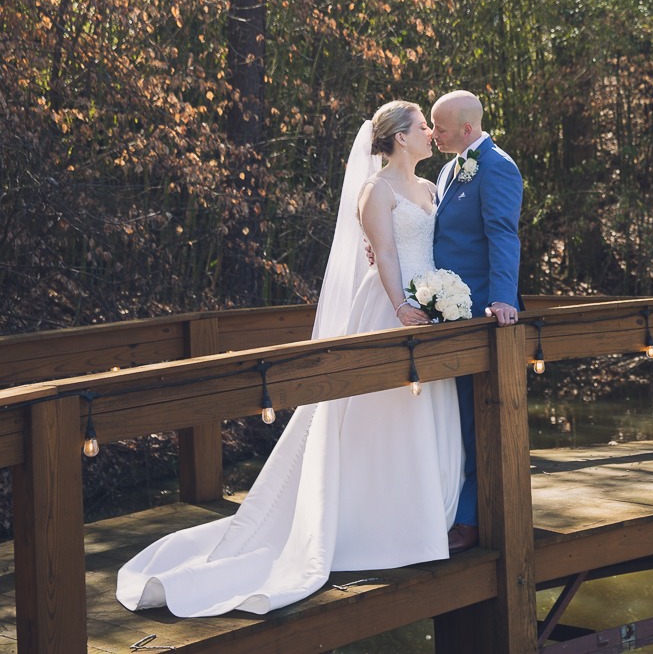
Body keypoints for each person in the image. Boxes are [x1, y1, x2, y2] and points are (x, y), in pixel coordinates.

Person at [116, 101, 466, 617]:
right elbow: (386, 255)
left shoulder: (431, 189)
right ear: (396, 138)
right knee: (377, 414)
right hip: (391, 307)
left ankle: (420, 520)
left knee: (422, 410)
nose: (429, 134)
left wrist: (438, 300)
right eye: (420, 127)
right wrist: (402, 307)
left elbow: (433, 248)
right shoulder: (378, 190)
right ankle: (371, 523)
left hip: (429, 305)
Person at [428, 89, 523, 553]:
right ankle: (448, 507)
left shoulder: (498, 166)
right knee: (449, 417)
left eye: (440, 127)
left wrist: (504, 299)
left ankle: (471, 518)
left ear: (467, 129)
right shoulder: (447, 169)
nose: (432, 133)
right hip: (444, 314)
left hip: (480, 312)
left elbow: (503, 235)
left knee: (472, 419)